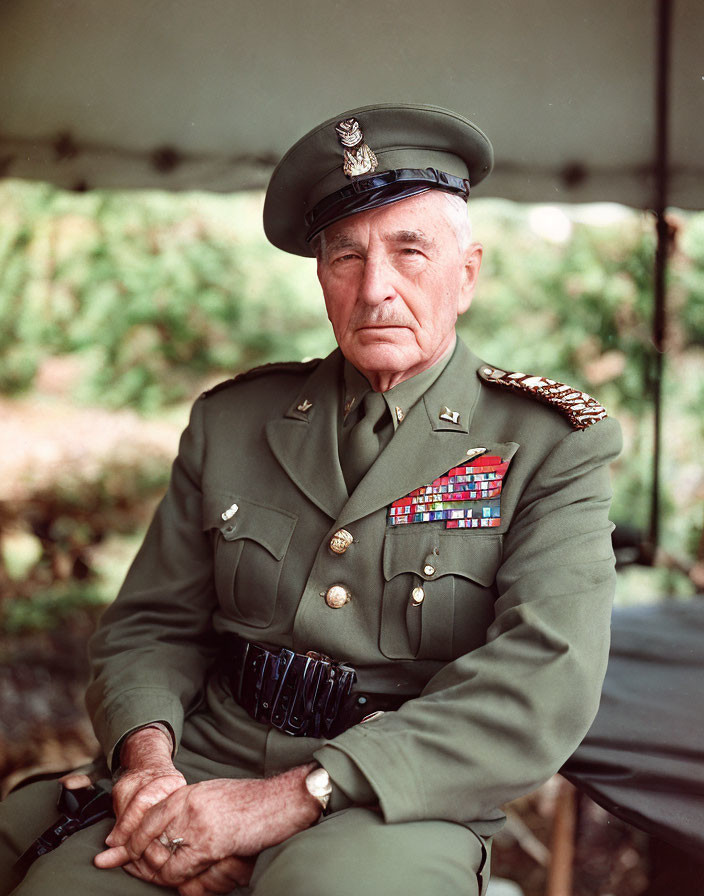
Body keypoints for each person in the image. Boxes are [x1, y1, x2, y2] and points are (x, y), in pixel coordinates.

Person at [0, 103, 621, 896]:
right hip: (202, 763)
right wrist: (149, 765)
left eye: (410, 253)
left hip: (393, 797)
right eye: (346, 257)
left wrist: (286, 800)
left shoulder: (548, 444)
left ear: (466, 274)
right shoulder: (233, 421)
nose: (376, 290)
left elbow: (544, 680)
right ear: (320, 276)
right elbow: (153, 625)